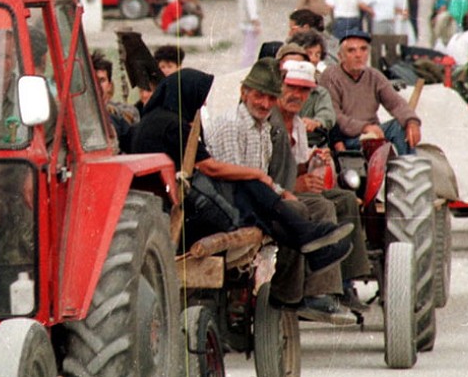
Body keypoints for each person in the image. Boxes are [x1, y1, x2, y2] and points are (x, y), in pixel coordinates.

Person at [130, 64, 353, 278]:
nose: (203, 104)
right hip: (183, 212)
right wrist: (257, 175)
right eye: (201, 97)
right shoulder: (173, 125)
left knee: (255, 195)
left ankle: (312, 245)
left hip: (170, 206)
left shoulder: (153, 121)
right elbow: (210, 167)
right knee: (250, 185)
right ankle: (309, 237)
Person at [203, 59, 355, 308]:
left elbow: (261, 176)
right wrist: (278, 192)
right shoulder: (231, 124)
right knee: (295, 209)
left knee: (299, 205)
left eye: (271, 98)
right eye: (259, 96)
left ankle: (306, 271)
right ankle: (288, 290)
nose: (265, 104)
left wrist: (282, 192)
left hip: (253, 196)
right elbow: (235, 175)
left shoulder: (263, 128)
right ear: (244, 93)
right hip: (228, 200)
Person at [270, 59, 372, 315]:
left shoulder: (297, 124)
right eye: (291, 87)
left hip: (289, 187)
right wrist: (297, 183)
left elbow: (296, 166)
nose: (297, 95)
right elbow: (265, 174)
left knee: (345, 199)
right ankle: (318, 291)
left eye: (304, 90)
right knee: (323, 206)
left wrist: (311, 164)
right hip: (273, 193)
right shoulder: (271, 122)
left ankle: (346, 280)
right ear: (279, 87)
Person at [319, 29, 421, 156]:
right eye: (351, 50)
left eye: (363, 49)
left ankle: (408, 163)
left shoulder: (374, 75)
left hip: (373, 134)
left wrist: (411, 121)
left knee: (401, 125)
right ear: (340, 56)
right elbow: (334, 115)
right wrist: (364, 127)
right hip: (346, 139)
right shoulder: (330, 76)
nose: (358, 55)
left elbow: (396, 103)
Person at [92, 50, 140, 151]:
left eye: (102, 80)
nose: (97, 85)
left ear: (109, 85)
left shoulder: (125, 111)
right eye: (93, 80)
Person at [238, 0, 264, 67]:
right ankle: (246, 67)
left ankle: (246, 65)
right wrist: (255, 22)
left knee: (248, 46)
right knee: (250, 48)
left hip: (245, 22)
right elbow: (251, 6)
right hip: (249, 24)